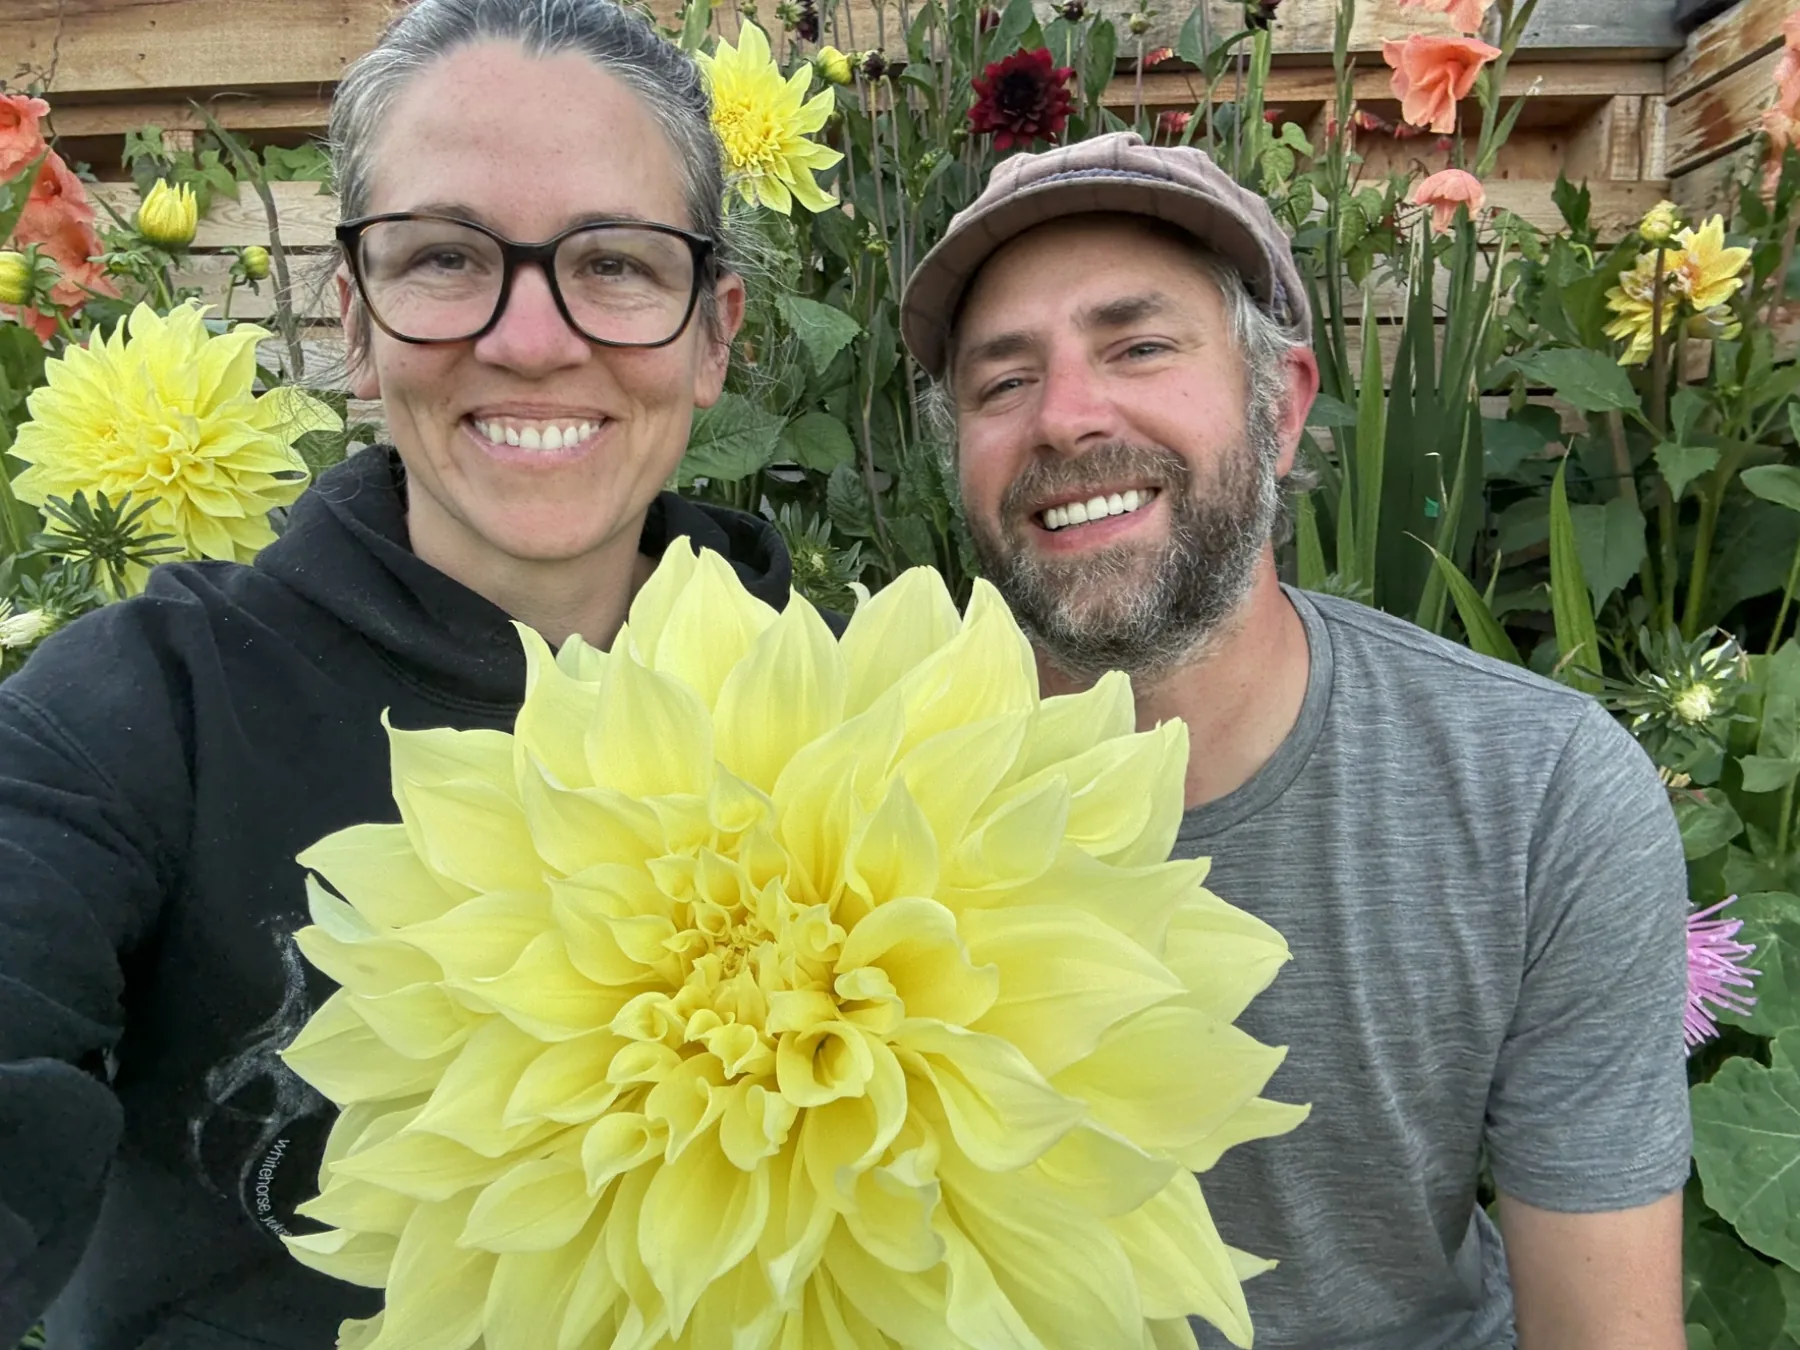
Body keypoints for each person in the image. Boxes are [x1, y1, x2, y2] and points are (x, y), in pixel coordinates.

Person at [0, 2, 794, 1344]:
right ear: (358, 325)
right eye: (444, 257)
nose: (531, 339)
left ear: (714, 335)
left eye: (613, 262)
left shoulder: (872, 725)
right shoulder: (141, 718)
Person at [898, 130, 1691, 1350]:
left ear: (1281, 408)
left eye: (1139, 346)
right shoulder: (861, 786)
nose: (1063, 417)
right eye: (1001, 383)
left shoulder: (1537, 795)